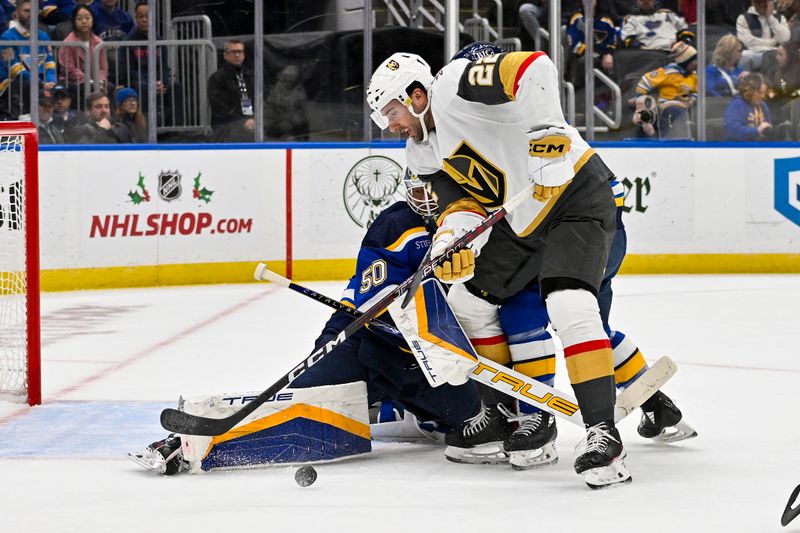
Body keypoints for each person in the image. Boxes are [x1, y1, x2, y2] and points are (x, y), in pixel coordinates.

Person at [367, 48, 631, 489]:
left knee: (569, 303)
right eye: (383, 118)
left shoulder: (454, 85)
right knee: (465, 304)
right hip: (521, 220)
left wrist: (548, 141)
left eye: (392, 112)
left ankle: (603, 432)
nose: (390, 125)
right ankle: (505, 412)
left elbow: (534, 68)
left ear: (416, 95)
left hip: (575, 196)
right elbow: (463, 206)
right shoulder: (420, 155)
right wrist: (451, 240)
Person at [131, 176, 490, 475]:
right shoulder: (395, 225)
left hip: (425, 362)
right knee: (299, 402)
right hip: (363, 342)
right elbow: (372, 304)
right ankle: (185, 445)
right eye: (421, 187)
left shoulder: (475, 228)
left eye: (436, 188)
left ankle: (398, 406)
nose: (428, 197)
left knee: (476, 426)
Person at [0, 0, 57, 116]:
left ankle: (57, 125)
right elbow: (14, 69)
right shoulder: (7, 37)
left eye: (33, 11)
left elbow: (50, 63)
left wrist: (51, 81)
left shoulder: (43, 36)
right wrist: (40, 84)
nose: (31, 14)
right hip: (14, 82)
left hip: (41, 82)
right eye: (26, 11)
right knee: (28, 86)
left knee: (62, 88)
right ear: (16, 13)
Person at [633, 41, 698, 138]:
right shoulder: (668, 72)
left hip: (685, 109)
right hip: (666, 107)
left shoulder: (694, 76)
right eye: (694, 60)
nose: (697, 63)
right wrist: (640, 98)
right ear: (686, 61)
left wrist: (691, 101)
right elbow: (645, 80)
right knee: (672, 111)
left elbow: (696, 92)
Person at [207, 39, 256, 142]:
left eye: (240, 51)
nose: (237, 55)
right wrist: (243, 120)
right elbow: (219, 107)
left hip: (252, 123)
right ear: (225, 55)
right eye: (233, 52)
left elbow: (262, 99)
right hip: (227, 127)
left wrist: (254, 118)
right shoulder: (217, 78)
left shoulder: (251, 76)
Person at [58, 4, 108, 101]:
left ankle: (106, 115)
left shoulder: (99, 42)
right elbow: (69, 69)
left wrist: (100, 81)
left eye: (87, 18)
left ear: (93, 19)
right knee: (91, 89)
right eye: (79, 19)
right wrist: (89, 81)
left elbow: (103, 67)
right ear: (74, 21)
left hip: (96, 80)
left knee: (111, 88)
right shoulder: (68, 42)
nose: (84, 21)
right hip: (72, 81)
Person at [566, 0, 619, 80]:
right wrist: (598, 53)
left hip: (603, 57)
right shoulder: (576, 18)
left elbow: (613, 40)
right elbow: (574, 43)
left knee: (617, 59)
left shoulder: (606, 20)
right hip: (580, 58)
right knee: (592, 59)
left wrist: (609, 54)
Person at [737, 0, 791, 71]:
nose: (762, 5)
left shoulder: (780, 18)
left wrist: (770, 18)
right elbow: (747, 41)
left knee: (783, 55)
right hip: (755, 54)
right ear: (753, 3)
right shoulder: (743, 18)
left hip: (775, 53)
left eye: (765, 2)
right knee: (745, 55)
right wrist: (773, 42)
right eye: (759, 2)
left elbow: (785, 38)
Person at [621, 0, 694, 51]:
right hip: (647, 54)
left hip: (673, 51)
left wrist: (683, 43)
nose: (646, 2)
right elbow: (628, 39)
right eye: (642, 0)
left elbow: (685, 30)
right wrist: (641, 48)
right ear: (637, 1)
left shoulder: (667, 13)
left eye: (649, 0)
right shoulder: (630, 19)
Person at [725, 72, 774, 140]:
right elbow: (732, 131)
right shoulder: (736, 104)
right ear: (749, 90)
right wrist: (756, 130)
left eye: (764, 93)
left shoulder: (763, 105)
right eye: (759, 92)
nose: (763, 96)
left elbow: (768, 128)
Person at [265, 65, 310, 141]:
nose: (288, 79)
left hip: (294, 128)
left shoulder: (299, 92)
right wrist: (269, 122)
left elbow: (301, 114)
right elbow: (269, 106)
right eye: (286, 76)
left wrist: (289, 124)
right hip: (276, 125)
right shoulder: (277, 88)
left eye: (291, 76)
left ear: (295, 78)